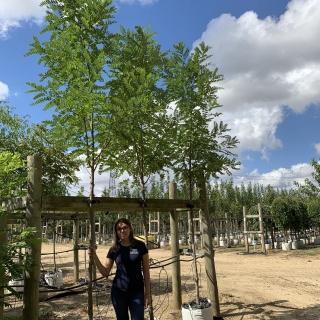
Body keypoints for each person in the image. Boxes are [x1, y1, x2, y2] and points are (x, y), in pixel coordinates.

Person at [88, 217, 151, 320]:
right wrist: (94, 256)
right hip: (119, 292)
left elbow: (146, 271)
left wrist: (147, 294)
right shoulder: (114, 248)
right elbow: (105, 272)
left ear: (130, 229)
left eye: (125, 227)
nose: (122, 230)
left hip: (137, 291)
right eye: (119, 229)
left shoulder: (140, 246)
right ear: (116, 232)